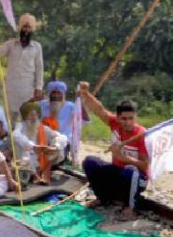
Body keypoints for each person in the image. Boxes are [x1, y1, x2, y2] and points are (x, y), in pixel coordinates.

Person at [78, 82, 148, 221]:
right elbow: (99, 109)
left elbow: (144, 165)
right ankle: (103, 198)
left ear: (136, 117)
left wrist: (123, 158)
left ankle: (130, 206)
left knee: (130, 170)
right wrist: (86, 94)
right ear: (117, 117)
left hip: (137, 179)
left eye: (131, 118)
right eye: (124, 119)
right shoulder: (114, 123)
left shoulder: (142, 135)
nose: (128, 122)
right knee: (90, 162)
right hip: (118, 173)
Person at [0, 13, 44, 121]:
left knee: (25, 119)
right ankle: (8, 137)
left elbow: (39, 69)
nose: (26, 30)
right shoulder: (11, 44)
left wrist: (38, 88)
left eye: (29, 27)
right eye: (24, 27)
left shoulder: (37, 47)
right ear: (20, 28)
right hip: (11, 89)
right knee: (9, 119)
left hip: (28, 90)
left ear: (33, 30)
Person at [13, 102, 67, 185]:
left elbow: (63, 137)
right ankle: (34, 175)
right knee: (19, 146)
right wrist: (33, 146)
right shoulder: (21, 127)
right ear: (25, 116)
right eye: (31, 115)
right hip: (26, 161)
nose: (34, 118)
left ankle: (41, 174)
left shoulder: (42, 128)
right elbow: (15, 135)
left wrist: (55, 147)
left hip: (41, 160)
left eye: (35, 115)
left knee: (59, 146)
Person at [40, 81, 81, 148]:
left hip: (63, 141)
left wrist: (80, 100)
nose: (56, 95)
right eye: (53, 93)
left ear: (63, 94)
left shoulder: (71, 107)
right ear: (49, 94)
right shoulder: (42, 105)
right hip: (44, 139)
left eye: (59, 93)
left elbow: (84, 121)